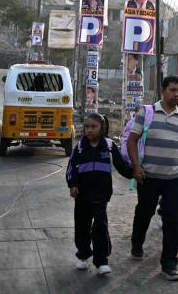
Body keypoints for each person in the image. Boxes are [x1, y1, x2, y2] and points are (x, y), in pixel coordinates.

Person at [128, 76, 178, 281]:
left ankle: (169, 264)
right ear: (162, 90)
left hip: (175, 178)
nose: (177, 94)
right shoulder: (146, 112)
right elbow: (132, 140)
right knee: (144, 212)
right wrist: (136, 167)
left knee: (173, 220)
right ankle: (137, 243)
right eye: (173, 90)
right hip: (149, 175)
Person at [65, 113, 131, 274]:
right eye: (87, 127)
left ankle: (101, 261)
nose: (89, 130)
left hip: (101, 195)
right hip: (82, 196)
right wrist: (72, 185)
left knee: (100, 226)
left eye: (93, 127)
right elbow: (71, 168)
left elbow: (121, 165)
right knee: (82, 226)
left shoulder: (109, 146)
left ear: (102, 128)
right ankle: (83, 255)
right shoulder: (80, 147)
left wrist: (135, 173)